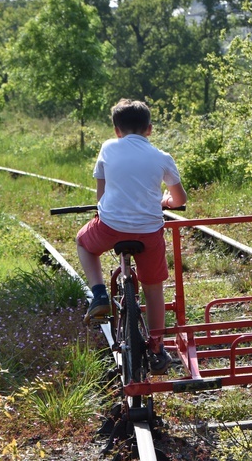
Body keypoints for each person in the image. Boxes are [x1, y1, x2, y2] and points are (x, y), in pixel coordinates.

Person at [76, 99, 187, 375]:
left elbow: (101, 196)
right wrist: (166, 202)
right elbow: (180, 198)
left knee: (83, 242)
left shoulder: (108, 148)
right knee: (153, 287)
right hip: (149, 231)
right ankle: (158, 347)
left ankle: (99, 294)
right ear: (149, 129)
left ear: (116, 130)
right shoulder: (162, 157)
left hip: (111, 226)